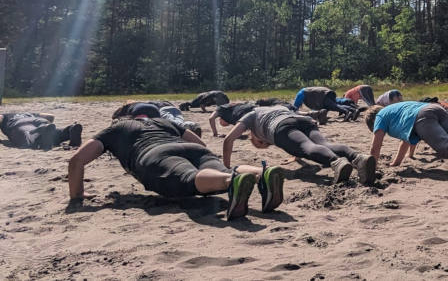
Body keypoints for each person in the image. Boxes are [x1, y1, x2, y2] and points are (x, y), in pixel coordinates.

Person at [67, 117, 285, 220]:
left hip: (154, 154)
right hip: (192, 149)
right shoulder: (162, 122)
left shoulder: (116, 128)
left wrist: (77, 195)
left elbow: (76, 161)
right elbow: (200, 145)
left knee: (189, 178)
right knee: (225, 170)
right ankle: (260, 173)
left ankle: (230, 182)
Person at [222, 105, 376, 185]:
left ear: (253, 135)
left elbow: (228, 139)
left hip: (280, 127)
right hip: (302, 120)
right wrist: (297, 157)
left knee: (307, 147)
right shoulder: (276, 108)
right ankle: (358, 158)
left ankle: (336, 162)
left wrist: (226, 169)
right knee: (324, 143)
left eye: (260, 142)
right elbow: (295, 121)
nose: (265, 143)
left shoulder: (251, 116)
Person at [112, 101, 203, 136]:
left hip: (141, 111)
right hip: (155, 109)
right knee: (161, 124)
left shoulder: (127, 111)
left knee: (142, 126)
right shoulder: (136, 104)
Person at [0, 112, 82, 150]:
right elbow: (50, 116)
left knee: (29, 136)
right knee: (56, 134)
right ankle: (70, 129)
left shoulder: (6, 116)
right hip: (38, 119)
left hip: (19, 124)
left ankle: (43, 131)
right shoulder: (29, 113)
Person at [293, 86, 358, 121]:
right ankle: (352, 110)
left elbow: (295, 108)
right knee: (334, 105)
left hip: (322, 94)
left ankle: (347, 112)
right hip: (326, 92)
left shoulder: (300, 93)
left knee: (334, 106)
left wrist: (294, 111)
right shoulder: (305, 92)